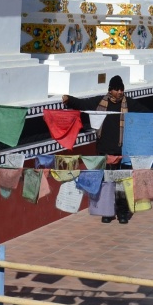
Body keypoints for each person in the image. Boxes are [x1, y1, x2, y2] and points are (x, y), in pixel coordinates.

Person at [62, 75, 138, 224]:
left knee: (122, 183)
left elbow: (145, 111)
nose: (120, 92)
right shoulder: (99, 102)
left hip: (122, 152)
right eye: (117, 89)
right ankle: (107, 212)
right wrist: (68, 99)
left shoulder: (128, 104)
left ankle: (122, 212)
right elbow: (82, 104)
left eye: (121, 89)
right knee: (106, 184)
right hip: (104, 152)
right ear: (110, 90)